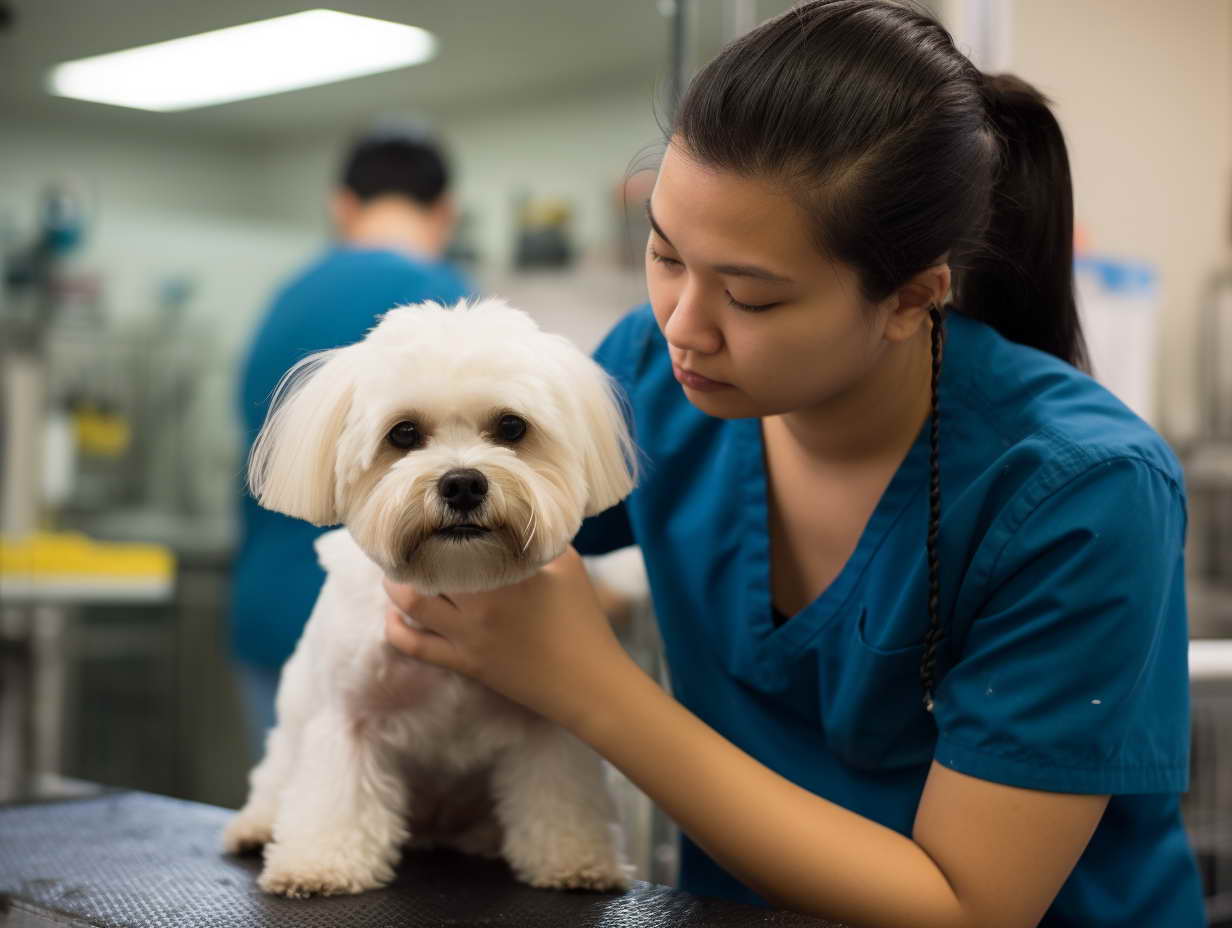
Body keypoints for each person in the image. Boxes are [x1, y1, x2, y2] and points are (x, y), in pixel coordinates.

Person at [380, 2, 1205, 925]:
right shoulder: (653, 374)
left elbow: (969, 908)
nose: (684, 325)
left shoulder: (1081, 491)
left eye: (750, 296)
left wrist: (589, 684)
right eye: (663, 255)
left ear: (910, 297)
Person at [231, 126, 473, 754]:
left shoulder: (289, 297)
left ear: (341, 206)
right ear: (447, 211)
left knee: (299, 815)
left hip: (267, 599)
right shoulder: (444, 300)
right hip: (386, 614)